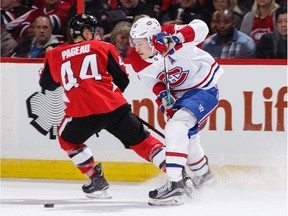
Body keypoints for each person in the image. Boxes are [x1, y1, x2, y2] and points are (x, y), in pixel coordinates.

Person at [39, 14, 194, 199]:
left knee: (68, 140)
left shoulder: (54, 54)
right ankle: (178, 178)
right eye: (96, 32)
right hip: (114, 107)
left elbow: (47, 84)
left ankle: (96, 179)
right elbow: (122, 80)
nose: (98, 35)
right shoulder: (103, 47)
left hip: (81, 114)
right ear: (86, 32)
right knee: (143, 143)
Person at [130, 16, 224, 205]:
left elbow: (202, 27)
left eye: (139, 43)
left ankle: (175, 184)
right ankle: (204, 178)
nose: (136, 48)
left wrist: (178, 38)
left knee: (177, 127)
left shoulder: (170, 31)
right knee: (188, 139)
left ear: (150, 39)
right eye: (134, 43)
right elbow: (153, 82)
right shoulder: (136, 58)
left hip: (203, 88)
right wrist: (163, 96)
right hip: (180, 97)